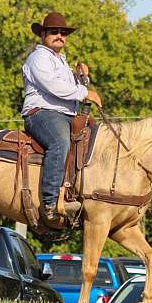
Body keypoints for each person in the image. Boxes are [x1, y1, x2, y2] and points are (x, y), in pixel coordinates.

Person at [21, 12, 102, 228]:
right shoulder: (38, 58)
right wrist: (85, 92)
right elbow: (54, 87)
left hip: (66, 114)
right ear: (43, 34)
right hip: (41, 113)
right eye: (54, 32)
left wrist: (82, 79)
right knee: (60, 142)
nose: (60, 35)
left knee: (96, 138)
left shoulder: (62, 62)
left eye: (63, 32)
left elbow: (71, 89)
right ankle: (49, 204)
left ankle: (84, 194)